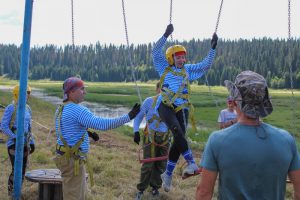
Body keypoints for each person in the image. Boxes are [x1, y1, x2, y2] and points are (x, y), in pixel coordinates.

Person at [196, 71, 300, 200]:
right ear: (264, 102)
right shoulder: (287, 140)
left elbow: (204, 193)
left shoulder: (217, 140)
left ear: (234, 101)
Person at [152, 23, 218, 192]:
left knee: (178, 139)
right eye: (178, 57)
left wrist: (212, 48)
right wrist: (165, 35)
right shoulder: (163, 68)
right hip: (165, 105)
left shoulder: (188, 70)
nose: (181, 60)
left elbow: (205, 65)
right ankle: (191, 163)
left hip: (183, 107)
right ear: (171, 59)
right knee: (177, 130)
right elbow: (155, 51)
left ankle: (167, 175)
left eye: (183, 57)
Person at [53, 77, 140, 200]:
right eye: (82, 89)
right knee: (74, 196)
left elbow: (65, 129)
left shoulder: (60, 109)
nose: (85, 92)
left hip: (64, 157)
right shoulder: (78, 110)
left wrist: (87, 132)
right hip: (73, 161)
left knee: (73, 192)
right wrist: (128, 117)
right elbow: (102, 124)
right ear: (71, 92)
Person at [133, 82, 170, 200]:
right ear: (157, 89)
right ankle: (141, 189)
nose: (165, 91)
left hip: (165, 138)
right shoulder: (149, 101)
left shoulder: (172, 103)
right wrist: (135, 131)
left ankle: (155, 188)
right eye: (162, 88)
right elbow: (138, 117)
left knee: (161, 164)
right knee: (148, 164)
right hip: (150, 137)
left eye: (168, 89)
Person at [1, 85, 35, 196]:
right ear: (17, 94)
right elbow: (3, 126)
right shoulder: (11, 108)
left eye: (28, 93)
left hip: (25, 143)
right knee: (16, 170)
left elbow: (29, 127)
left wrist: (32, 142)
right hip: (13, 144)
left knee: (22, 171)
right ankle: (12, 194)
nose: (27, 96)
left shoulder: (28, 108)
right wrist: (14, 137)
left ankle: (18, 193)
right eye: (25, 93)